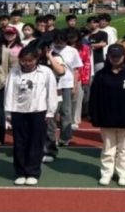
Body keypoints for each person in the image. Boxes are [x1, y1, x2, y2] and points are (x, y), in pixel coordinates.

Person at [89, 44, 125, 187]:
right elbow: (94, 97)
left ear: (123, 57)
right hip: (106, 118)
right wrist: (94, 116)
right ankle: (106, 173)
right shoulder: (101, 75)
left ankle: (123, 174)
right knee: (108, 148)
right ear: (107, 57)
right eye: (112, 56)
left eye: (118, 56)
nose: (115, 59)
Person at [5, 45, 59, 187]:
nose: (27, 63)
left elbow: (51, 92)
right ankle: (20, 172)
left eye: (30, 60)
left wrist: (51, 111)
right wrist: (8, 112)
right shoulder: (14, 72)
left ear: (37, 59)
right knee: (20, 143)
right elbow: (9, 92)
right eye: (24, 61)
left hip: (39, 110)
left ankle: (33, 172)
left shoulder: (45, 72)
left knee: (36, 142)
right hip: (18, 111)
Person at [45, 30, 83, 162]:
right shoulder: (50, 50)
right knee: (52, 111)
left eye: (62, 41)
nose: (60, 43)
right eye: (57, 41)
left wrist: (75, 85)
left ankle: (65, 137)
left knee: (65, 111)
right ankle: (51, 138)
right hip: (53, 84)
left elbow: (76, 69)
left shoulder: (72, 51)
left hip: (66, 83)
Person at [68, 28, 92, 131]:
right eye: (70, 37)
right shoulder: (64, 47)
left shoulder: (84, 48)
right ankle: (66, 119)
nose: (71, 39)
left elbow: (87, 62)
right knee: (66, 100)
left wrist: (85, 78)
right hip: (65, 76)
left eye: (73, 37)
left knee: (77, 99)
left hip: (79, 76)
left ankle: (75, 120)